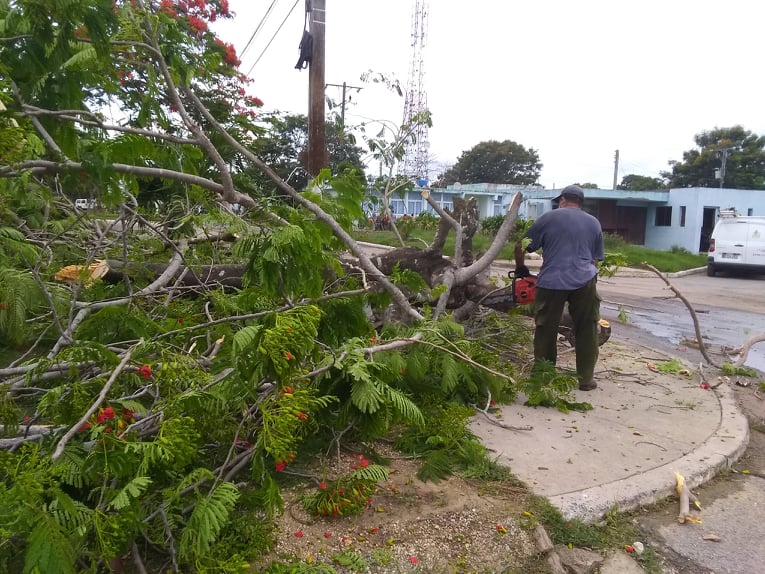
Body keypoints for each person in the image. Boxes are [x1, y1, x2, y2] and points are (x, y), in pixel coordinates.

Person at [514, 184, 604, 390]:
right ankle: (586, 380)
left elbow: (520, 245)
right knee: (587, 328)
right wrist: (590, 280)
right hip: (585, 279)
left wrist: (521, 269)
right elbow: (595, 259)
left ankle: (543, 378)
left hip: (552, 280)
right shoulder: (594, 223)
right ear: (580, 202)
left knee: (546, 327)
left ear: (562, 200)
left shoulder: (548, 218)